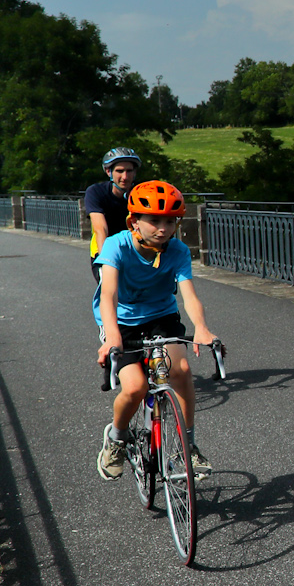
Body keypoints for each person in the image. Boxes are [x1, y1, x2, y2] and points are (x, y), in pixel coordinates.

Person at [94, 180, 219, 481]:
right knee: (135, 387)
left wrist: (201, 327)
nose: (162, 229)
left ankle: (186, 446)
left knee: (181, 369)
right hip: (121, 321)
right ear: (134, 221)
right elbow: (108, 294)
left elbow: (188, 294)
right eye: (154, 221)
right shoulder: (117, 245)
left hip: (161, 316)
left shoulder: (177, 250)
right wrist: (112, 336)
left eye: (170, 222)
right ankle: (116, 438)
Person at [86, 148, 142, 279]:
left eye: (129, 171)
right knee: (112, 295)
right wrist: (107, 262)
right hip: (105, 248)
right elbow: (101, 229)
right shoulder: (96, 192)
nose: (125, 177)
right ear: (108, 172)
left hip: (138, 249)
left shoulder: (141, 192)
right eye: (119, 171)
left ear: (135, 173)